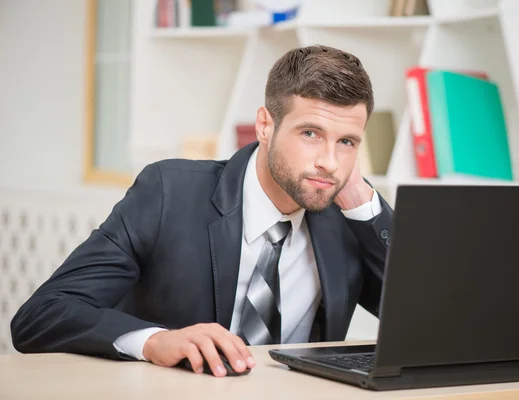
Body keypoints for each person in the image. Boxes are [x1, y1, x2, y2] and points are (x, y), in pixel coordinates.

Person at [10, 44, 393, 378]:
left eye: (346, 142)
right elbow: (41, 316)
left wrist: (362, 203)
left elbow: (428, 325)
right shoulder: (169, 192)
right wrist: (155, 342)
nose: (329, 161)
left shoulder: (348, 217)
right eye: (310, 133)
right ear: (265, 125)